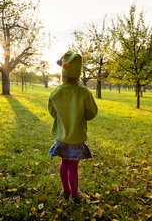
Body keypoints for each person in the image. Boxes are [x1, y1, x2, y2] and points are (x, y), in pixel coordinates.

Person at [48, 51, 98, 203]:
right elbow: (92, 113)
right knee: (73, 166)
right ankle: (75, 195)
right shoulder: (84, 92)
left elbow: (52, 112)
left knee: (64, 163)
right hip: (76, 137)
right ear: (79, 73)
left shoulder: (56, 92)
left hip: (61, 136)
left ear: (63, 72)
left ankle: (66, 191)